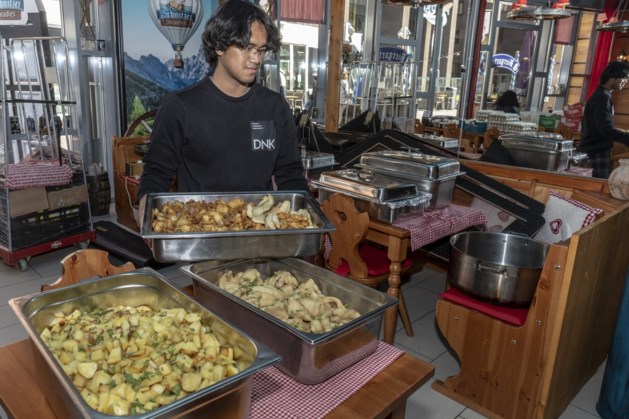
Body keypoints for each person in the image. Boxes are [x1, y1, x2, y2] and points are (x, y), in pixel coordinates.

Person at [137, 0, 308, 220]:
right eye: (246, 48)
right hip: (200, 230)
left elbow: (290, 174)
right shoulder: (180, 106)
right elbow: (157, 172)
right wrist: (145, 206)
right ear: (219, 46)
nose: (255, 59)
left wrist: (306, 215)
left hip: (257, 234)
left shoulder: (275, 107)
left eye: (261, 50)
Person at [579, 60, 629, 179]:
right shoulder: (602, 97)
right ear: (613, 77)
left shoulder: (603, 94)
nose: (625, 82)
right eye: (624, 78)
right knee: (596, 189)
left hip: (594, 149)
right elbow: (605, 129)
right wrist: (627, 138)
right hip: (596, 151)